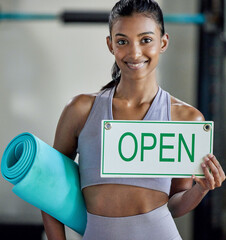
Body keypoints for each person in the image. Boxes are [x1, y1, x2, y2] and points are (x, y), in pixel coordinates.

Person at [41, 0, 225, 239]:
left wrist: (201, 189)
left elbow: (174, 205)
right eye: (122, 41)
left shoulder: (187, 119)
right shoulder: (80, 110)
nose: (135, 52)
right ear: (110, 45)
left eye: (146, 40)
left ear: (163, 42)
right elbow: (47, 188)